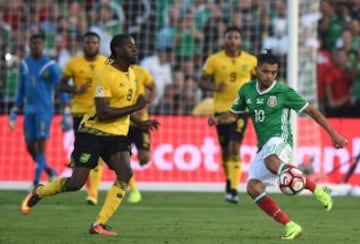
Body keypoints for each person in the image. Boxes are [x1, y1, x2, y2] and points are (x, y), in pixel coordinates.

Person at [21, 34, 160, 236]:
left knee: (125, 173)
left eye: (135, 46)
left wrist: (141, 121)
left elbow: (125, 107)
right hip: (93, 133)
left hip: (117, 135)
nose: (135, 50)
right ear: (118, 50)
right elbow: (103, 113)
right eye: (130, 46)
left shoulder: (131, 74)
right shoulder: (105, 74)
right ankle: (40, 191)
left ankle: (99, 224)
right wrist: (135, 107)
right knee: (75, 184)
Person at [208, 49, 348, 240]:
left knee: (270, 161)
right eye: (265, 72)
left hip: (281, 140)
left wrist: (334, 134)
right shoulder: (246, 90)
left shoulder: (283, 92)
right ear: (256, 70)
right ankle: (291, 225)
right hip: (263, 145)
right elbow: (232, 115)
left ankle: (316, 189)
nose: (269, 76)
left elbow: (312, 111)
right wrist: (218, 120)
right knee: (253, 188)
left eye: (273, 72)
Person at [199, 26, 257, 203]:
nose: (233, 41)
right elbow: (201, 82)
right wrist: (215, 87)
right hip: (221, 110)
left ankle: (233, 189)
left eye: (236, 37)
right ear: (224, 40)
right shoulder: (214, 60)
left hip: (241, 110)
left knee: (234, 147)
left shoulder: (251, 60)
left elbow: (260, 82)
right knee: (225, 151)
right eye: (230, 37)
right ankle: (229, 181)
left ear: (241, 40)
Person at [9, 33, 63, 190]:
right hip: (28, 111)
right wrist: (14, 110)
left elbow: (61, 87)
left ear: (43, 45)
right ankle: (50, 171)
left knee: (41, 143)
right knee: (29, 146)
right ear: (29, 45)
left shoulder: (50, 65)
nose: (36, 46)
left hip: (44, 110)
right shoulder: (25, 64)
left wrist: (66, 108)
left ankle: (36, 182)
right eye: (34, 43)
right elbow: (21, 89)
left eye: (39, 43)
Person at [59, 31, 107, 205]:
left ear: (99, 45)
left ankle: (93, 193)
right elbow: (61, 85)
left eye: (94, 42)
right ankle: (83, 179)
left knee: (98, 152)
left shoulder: (106, 62)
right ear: (83, 44)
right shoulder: (73, 63)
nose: (91, 45)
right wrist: (75, 89)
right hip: (80, 113)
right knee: (83, 154)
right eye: (88, 42)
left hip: (99, 113)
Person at [126, 64, 157, 203]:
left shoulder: (142, 72)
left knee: (144, 158)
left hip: (141, 122)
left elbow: (153, 88)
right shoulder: (114, 72)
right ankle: (134, 191)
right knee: (123, 159)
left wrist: (147, 103)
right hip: (123, 122)